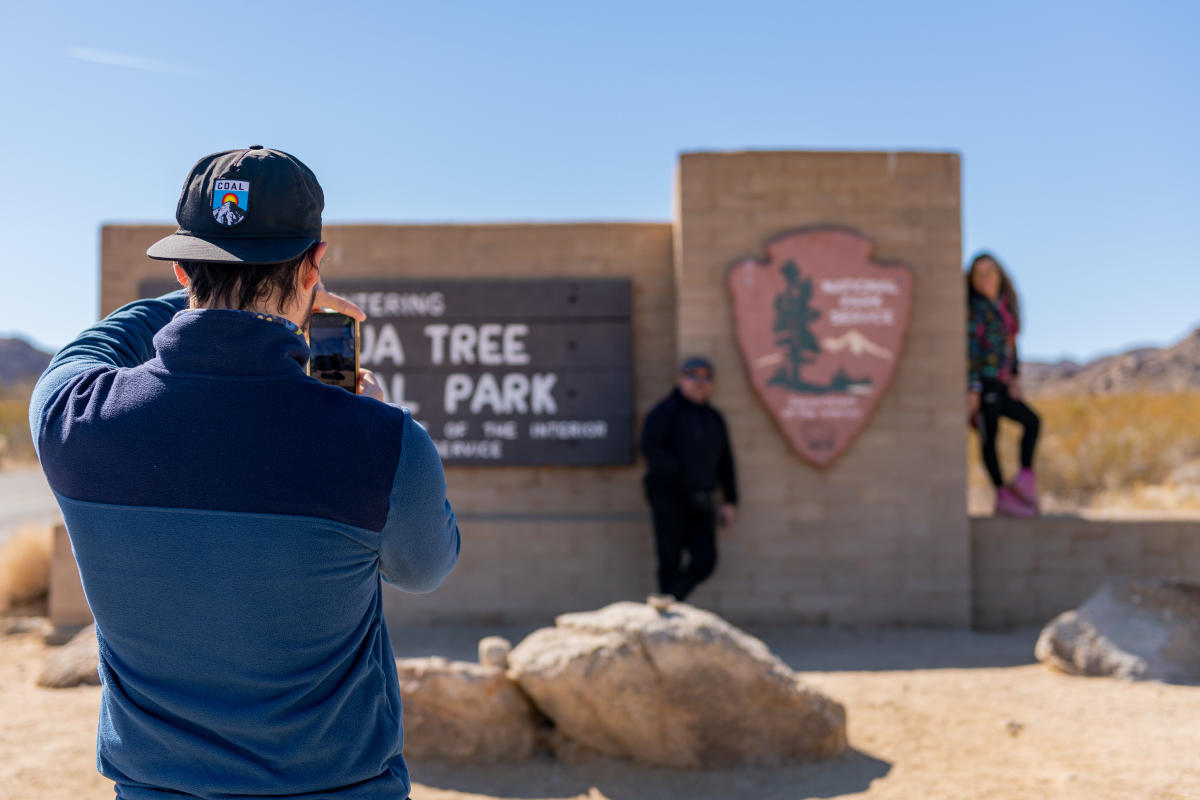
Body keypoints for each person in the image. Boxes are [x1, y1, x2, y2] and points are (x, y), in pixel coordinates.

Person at [29, 146, 461, 799]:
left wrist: (184, 305)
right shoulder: (383, 442)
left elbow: (87, 348)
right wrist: (376, 420)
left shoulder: (75, 418)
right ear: (314, 263)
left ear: (180, 267)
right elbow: (424, 570)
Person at [640, 356, 738, 602]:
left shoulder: (714, 418)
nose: (700, 382)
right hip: (669, 497)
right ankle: (667, 615)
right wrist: (681, 476)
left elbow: (725, 461)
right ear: (680, 379)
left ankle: (670, 601)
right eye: (693, 375)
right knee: (669, 557)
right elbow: (650, 448)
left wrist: (730, 500)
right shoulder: (664, 412)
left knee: (705, 560)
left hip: (703, 498)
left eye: (706, 377)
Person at [966, 252, 1041, 517]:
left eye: (990, 272)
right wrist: (973, 388)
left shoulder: (1004, 309)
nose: (986, 279)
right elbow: (972, 350)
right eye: (979, 274)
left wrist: (1015, 378)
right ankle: (1001, 495)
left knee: (1032, 421)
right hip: (984, 384)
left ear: (1000, 275)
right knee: (989, 439)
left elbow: (1011, 348)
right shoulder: (974, 309)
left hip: (1002, 384)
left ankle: (1024, 479)